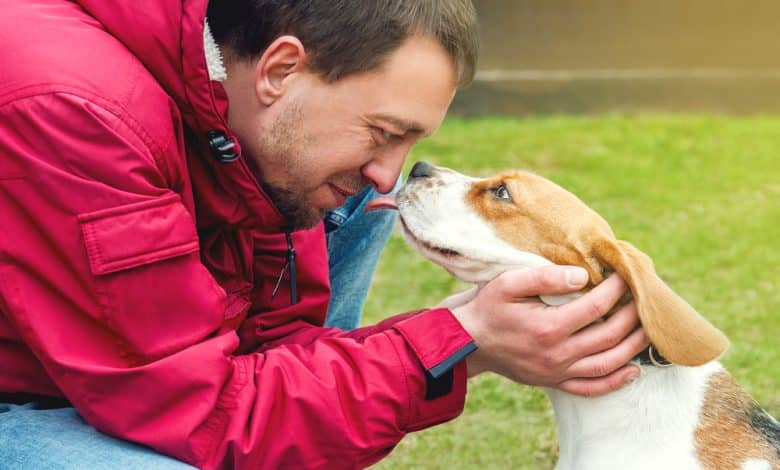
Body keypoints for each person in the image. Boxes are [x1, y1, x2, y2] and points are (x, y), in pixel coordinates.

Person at [0, 1, 649, 468]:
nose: (390, 171)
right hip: (32, 396)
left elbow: (270, 353)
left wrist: (456, 340)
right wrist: (460, 342)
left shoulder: (247, 109)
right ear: (281, 69)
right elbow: (210, 412)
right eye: (383, 132)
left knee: (349, 190)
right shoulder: (73, 116)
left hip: (124, 373)